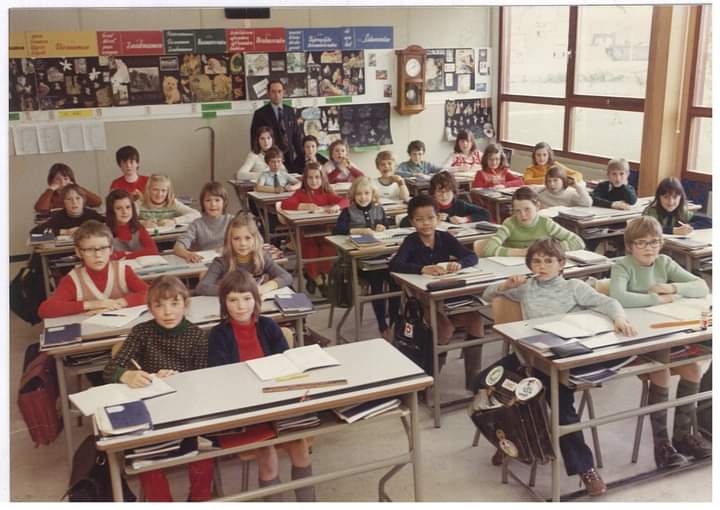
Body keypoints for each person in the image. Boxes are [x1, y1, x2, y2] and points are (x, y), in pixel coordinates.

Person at [478, 239, 636, 496]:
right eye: (537, 261)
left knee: (560, 406)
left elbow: (608, 303)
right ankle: (514, 442)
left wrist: (619, 318)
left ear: (561, 264)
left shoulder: (574, 286)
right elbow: (487, 295)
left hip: (563, 358)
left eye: (549, 261)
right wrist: (506, 285)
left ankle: (585, 468)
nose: (542, 266)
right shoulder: (526, 288)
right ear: (529, 264)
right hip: (532, 359)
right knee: (483, 383)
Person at [609, 216, 711, 468]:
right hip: (637, 340)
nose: (649, 248)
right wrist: (656, 300)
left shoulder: (664, 262)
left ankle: (683, 436)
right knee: (661, 372)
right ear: (630, 246)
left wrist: (673, 289)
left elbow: (700, 286)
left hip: (665, 331)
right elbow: (619, 297)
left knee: (693, 367)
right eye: (641, 243)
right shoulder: (622, 265)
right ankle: (662, 445)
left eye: (654, 242)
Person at [102, 276, 213, 502]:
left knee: (203, 452)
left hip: (187, 407)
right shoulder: (141, 332)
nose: (167, 312)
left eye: (174, 304)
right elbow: (109, 370)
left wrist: (180, 379)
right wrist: (127, 374)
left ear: (186, 304)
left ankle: (199, 499)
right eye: (159, 305)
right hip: (150, 407)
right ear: (150, 308)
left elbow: (203, 377)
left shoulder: (197, 335)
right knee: (145, 457)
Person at [207, 271, 315, 502]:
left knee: (300, 447)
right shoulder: (218, 335)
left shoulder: (268, 326)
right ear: (224, 304)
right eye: (233, 300)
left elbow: (285, 362)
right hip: (246, 408)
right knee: (267, 455)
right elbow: (220, 376)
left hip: (276, 401)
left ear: (257, 300)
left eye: (246, 298)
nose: (241, 306)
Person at [389, 194, 484, 386]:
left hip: (447, 295)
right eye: (420, 219)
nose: (426, 223)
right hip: (421, 299)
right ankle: (429, 379)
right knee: (444, 328)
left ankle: (473, 381)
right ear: (412, 221)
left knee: (476, 321)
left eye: (431, 218)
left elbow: (471, 256)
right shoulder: (412, 241)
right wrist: (420, 269)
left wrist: (459, 264)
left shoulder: (444, 237)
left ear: (438, 217)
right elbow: (395, 265)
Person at [333, 177, 400, 340]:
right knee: (376, 283)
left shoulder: (379, 209)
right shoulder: (347, 212)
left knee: (396, 281)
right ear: (353, 196)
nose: (363, 197)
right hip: (360, 263)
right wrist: (359, 231)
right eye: (359, 194)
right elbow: (337, 231)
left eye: (367, 193)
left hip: (382, 257)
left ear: (373, 194)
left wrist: (383, 227)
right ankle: (382, 325)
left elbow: (387, 227)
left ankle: (394, 321)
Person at [38, 220, 148, 318]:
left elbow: (151, 294)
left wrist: (119, 303)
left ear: (111, 249)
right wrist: (94, 304)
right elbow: (45, 309)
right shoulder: (73, 280)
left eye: (103, 248)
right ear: (78, 252)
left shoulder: (123, 271)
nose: (98, 255)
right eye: (89, 249)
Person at [280, 163, 349, 294]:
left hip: (324, 232)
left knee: (329, 248)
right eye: (310, 178)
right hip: (305, 233)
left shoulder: (326, 192)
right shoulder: (301, 193)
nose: (314, 181)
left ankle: (315, 275)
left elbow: (346, 201)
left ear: (323, 178)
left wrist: (337, 206)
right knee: (310, 250)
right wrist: (302, 206)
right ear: (305, 179)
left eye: (317, 177)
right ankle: (319, 281)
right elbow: (285, 203)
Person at [194, 213, 292, 297]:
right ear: (229, 241)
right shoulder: (221, 262)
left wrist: (263, 288)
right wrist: (239, 291)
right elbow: (202, 287)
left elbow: (287, 277)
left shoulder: (263, 258)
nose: (243, 244)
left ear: (255, 239)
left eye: (247, 238)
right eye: (236, 239)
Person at [477, 186, 584, 257]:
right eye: (517, 211)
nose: (523, 215)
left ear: (537, 206)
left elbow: (578, 242)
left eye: (527, 209)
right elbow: (488, 249)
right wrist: (521, 252)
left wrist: (548, 249)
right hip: (514, 269)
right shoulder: (510, 224)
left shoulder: (546, 223)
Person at [174, 181, 234, 263]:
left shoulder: (232, 221)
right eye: (208, 200)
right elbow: (178, 247)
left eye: (217, 200)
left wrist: (228, 248)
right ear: (203, 203)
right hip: (204, 265)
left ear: (224, 202)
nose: (213, 204)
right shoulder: (196, 224)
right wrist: (188, 254)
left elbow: (247, 243)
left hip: (229, 263)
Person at [250, 79, 302, 170]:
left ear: (283, 92)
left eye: (279, 91)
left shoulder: (290, 111)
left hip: (289, 156)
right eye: (273, 92)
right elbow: (254, 138)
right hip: (271, 158)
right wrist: (259, 159)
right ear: (268, 93)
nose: (276, 95)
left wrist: (301, 156)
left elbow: (296, 136)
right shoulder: (260, 114)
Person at [31, 184, 105, 236]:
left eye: (78, 198)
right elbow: (35, 232)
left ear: (84, 200)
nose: (74, 202)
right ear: (63, 202)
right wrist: (65, 231)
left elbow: (108, 225)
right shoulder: (59, 216)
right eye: (69, 199)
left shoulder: (91, 214)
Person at [105, 189, 159, 260]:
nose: (125, 211)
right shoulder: (104, 232)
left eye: (128, 207)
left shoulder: (138, 227)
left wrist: (127, 256)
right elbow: (106, 257)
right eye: (119, 208)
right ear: (111, 211)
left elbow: (153, 250)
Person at [136, 173, 201, 228]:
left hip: (169, 239)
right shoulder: (139, 203)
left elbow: (197, 214)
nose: (159, 194)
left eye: (163, 190)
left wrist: (174, 221)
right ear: (148, 190)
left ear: (168, 192)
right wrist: (142, 223)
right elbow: (127, 220)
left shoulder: (173, 203)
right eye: (155, 190)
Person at [34, 163, 102, 214]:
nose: (63, 183)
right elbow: (41, 209)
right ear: (51, 181)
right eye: (58, 179)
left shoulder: (77, 193)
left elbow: (97, 202)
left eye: (66, 179)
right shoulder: (50, 195)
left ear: (71, 180)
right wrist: (50, 189)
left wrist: (77, 188)